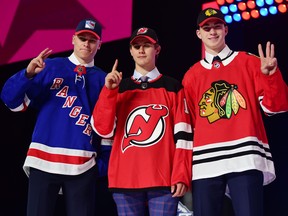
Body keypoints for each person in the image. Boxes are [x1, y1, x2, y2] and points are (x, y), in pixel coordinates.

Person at [182, 7, 288, 216]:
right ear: (198, 33)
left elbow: (275, 107)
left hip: (244, 156)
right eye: (207, 28)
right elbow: (189, 124)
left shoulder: (250, 62)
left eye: (217, 26)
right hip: (205, 161)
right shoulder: (191, 76)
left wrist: (271, 76)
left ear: (226, 29)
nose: (212, 32)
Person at [1, 18, 111, 216]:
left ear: (99, 45)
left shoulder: (104, 79)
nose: (86, 43)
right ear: (73, 39)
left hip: (83, 165)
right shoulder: (49, 67)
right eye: (82, 38)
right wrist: (26, 74)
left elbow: (109, 127)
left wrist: (102, 164)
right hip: (43, 160)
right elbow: (11, 102)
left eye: (92, 40)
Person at [90, 27, 193, 216]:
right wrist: (108, 92)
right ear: (130, 51)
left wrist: (181, 174)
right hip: (125, 178)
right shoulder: (118, 88)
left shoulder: (173, 87)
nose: (141, 50)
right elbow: (102, 129)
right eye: (136, 46)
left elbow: (184, 138)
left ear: (158, 49)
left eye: (147, 45)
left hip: (164, 178)